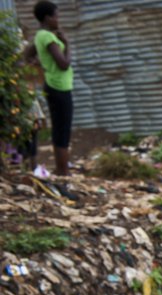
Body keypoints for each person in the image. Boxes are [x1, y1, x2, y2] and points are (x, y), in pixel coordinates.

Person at [28, 1, 73, 177]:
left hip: (55, 85)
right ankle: (63, 170)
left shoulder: (41, 36)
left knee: (60, 127)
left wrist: (41, 63)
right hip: (59, 87)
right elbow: (63, 64)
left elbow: (27, 54)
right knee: (63, 129)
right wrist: (67, 44)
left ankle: (61, 168)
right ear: (47, 18)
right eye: (56, 16)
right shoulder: (47, 37)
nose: (58, 19)